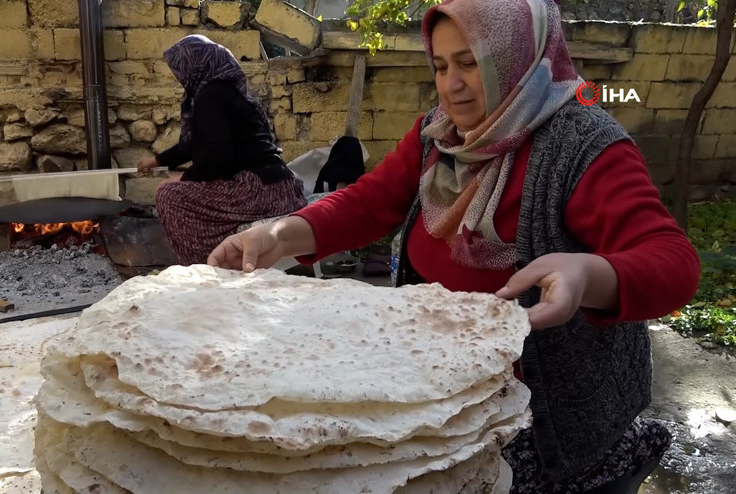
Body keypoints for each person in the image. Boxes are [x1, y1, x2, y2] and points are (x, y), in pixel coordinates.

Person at [208, 0, 701, 492]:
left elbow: (673, 261)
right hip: (448, 390)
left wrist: (588, 275)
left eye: (470, 63)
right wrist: (278, 233)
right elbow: (369, 204)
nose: (451, 85)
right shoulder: (441, 135)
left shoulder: (584, 145)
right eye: (441, 66)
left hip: (549, 419)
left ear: (517, 58)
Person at [137, 34, 307, 265]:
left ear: (195, 64)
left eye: (181, 68)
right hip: (280, 187)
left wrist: (183, 178)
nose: (179, 76)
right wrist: (155, 161)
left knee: (169, 196)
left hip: (258, 191)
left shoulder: (210, 96)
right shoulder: (227, 92)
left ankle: (205, 268)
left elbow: (218, 153)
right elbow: (192, 146)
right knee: (181, 187)